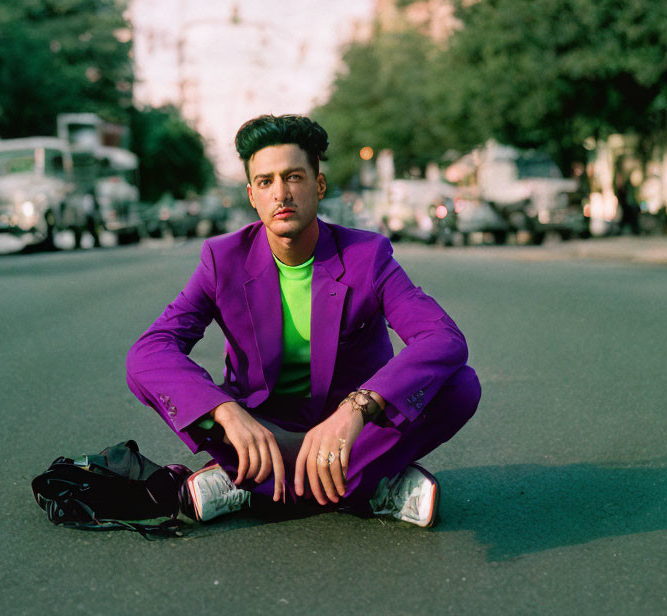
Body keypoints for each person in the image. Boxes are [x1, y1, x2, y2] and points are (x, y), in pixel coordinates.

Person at [126, 114, 480, 528]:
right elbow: (148, 354)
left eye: (294, 177)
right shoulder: (223, 261)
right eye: (265, 182)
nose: (281, 194)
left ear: (319, 185)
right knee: (185, 393)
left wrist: (357, 408)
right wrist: (224, 411)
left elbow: (442, 338)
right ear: (252, 196)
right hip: (261, 433)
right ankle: (371, 485)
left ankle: (253, 486)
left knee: (460, 385)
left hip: (349, 436)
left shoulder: (368, 257)